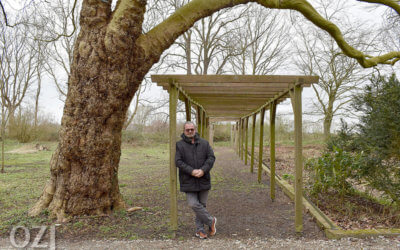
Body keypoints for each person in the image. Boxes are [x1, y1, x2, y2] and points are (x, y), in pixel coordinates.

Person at [175, 121, 217, 239]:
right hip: (188, 180)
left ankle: (200, 230)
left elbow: (211, 157)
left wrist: (203, 170)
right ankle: (211, 221)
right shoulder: (179, 145)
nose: (190, 131)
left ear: (195, 130)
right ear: (184, 131)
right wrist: (192, 171)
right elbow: (178, 161)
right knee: (193, 204)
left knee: (202, 205)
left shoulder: (204, 143)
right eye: (187, 130)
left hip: (203, 178)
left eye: (192, 129)